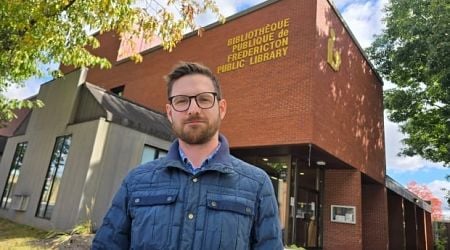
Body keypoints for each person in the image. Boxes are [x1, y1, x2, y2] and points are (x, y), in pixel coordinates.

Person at [92, 62, 283, 249]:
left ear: (221, 108)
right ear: (170, 112)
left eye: (204, 99)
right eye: (182, 100)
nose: (193, 109)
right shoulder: (135, 182)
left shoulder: (257, 185)